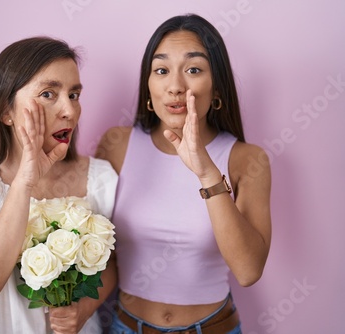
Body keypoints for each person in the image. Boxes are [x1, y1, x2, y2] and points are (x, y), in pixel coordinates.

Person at [96, 14, 271, 334]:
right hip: (125, 327)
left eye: (193, 69)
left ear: (216, 86)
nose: (176, 86)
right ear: (148, 88)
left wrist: (207, 173)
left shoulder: (247, 160)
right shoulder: (116, 145)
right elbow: (100, 254)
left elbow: (248, 271)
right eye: (161, 70)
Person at [0, 37, 118, 334]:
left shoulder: (100, 179)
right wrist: (24, 181)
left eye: (74, 95)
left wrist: (83, 309)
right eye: (49, 94)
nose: (69, 111)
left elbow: (110, 265)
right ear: (5, 111)